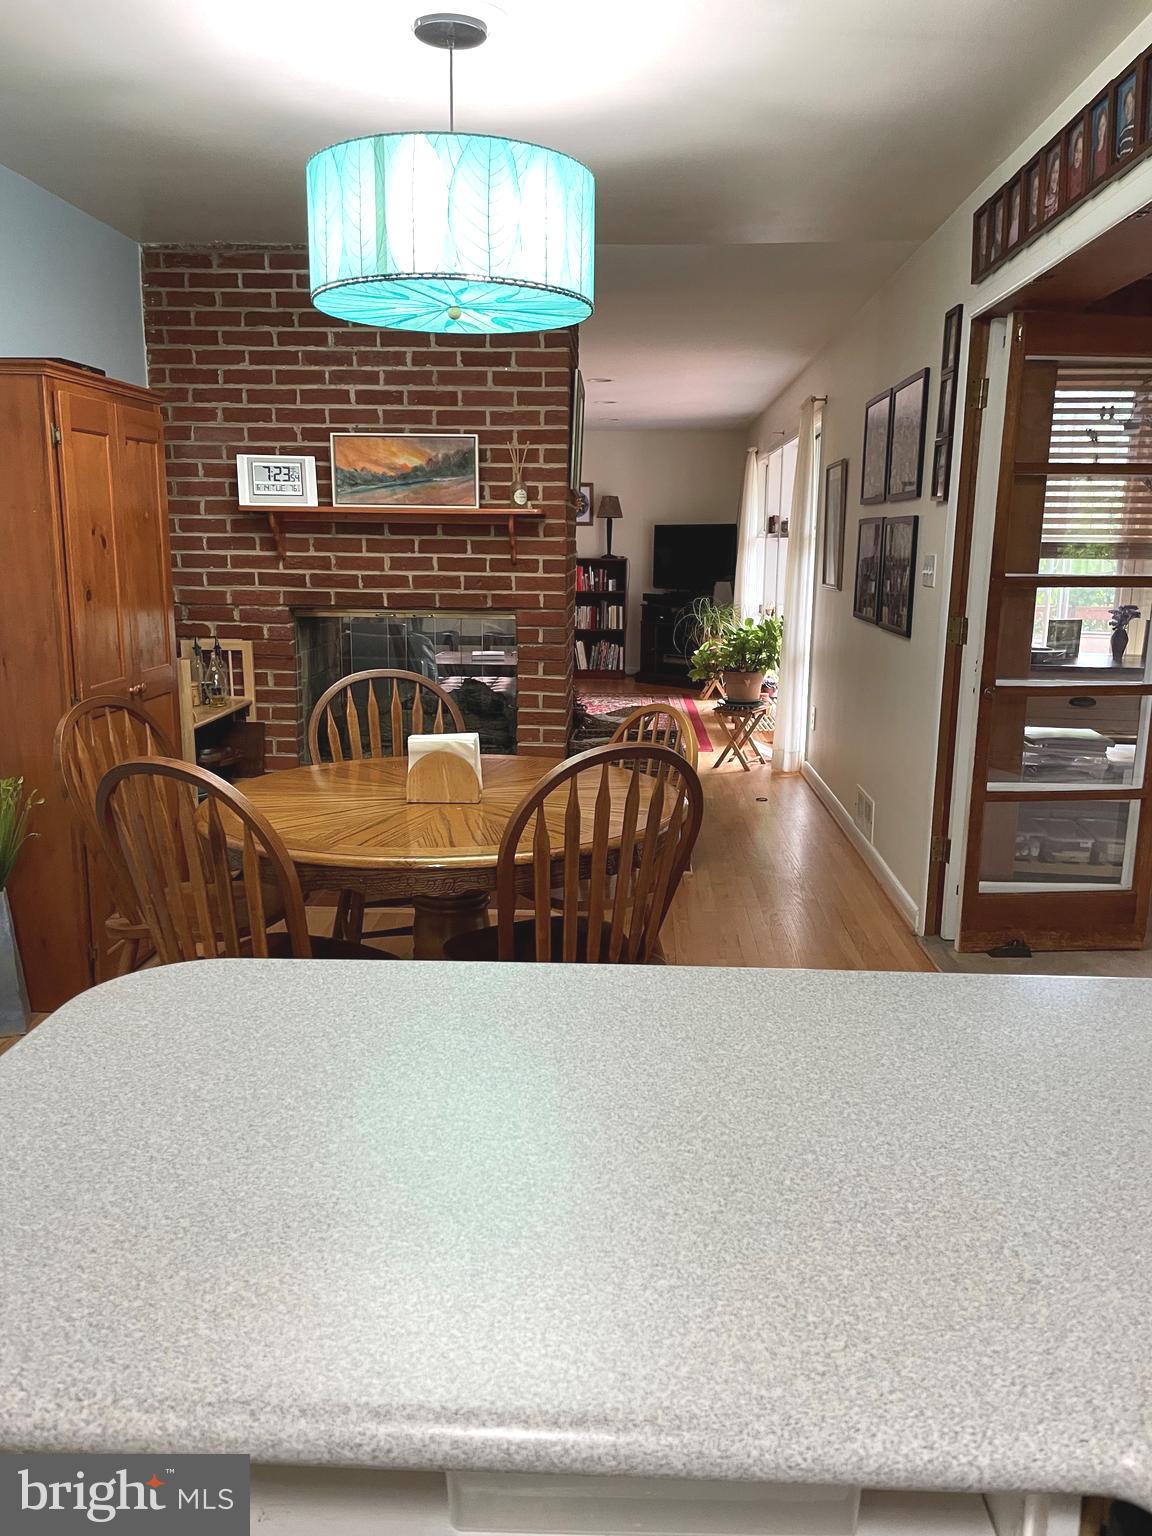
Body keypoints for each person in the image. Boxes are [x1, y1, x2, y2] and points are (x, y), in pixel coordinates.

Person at [1117, 81, 1137, 157]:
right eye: (1126, 105)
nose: (1128, 108)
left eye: (1130, 103)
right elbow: (1119, 156)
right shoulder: (1122, 133)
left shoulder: (1135, 127)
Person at [1067, 122, 1085, 199]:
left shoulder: (1084, 172)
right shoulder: (1069, 173)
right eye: (1076, 151)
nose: (1077, 156)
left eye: (1080, 152)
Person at [1093, 101, 1111, 179]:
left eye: (1103, 125)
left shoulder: (1109, 147)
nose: (1101, 129)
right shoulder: (1095, 152)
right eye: (1099, 126)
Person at [1043, 150, 1061, 221]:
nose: (1055, 177)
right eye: (1053, 172)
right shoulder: (1044, 199)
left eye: (1057, 172)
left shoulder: (1060, 197)